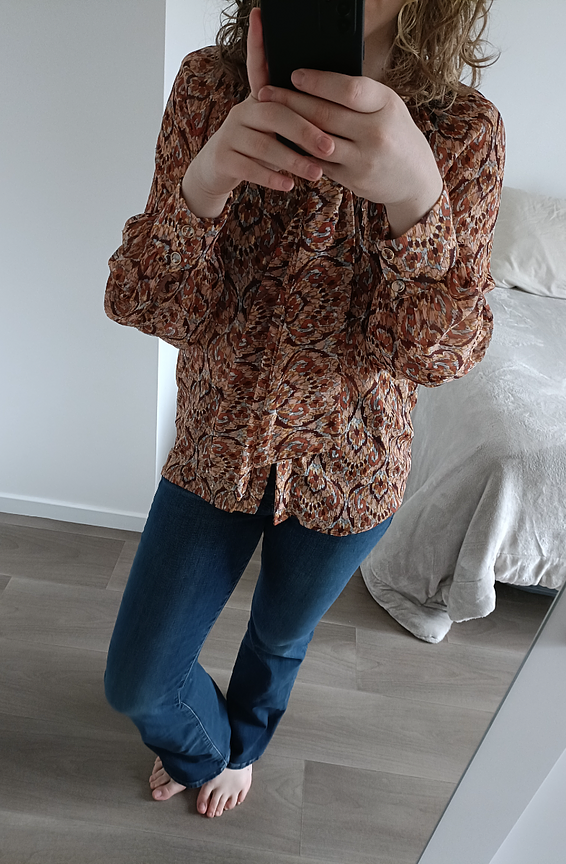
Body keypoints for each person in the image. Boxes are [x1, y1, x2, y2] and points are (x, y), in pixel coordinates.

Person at [103, 0, 505, 819]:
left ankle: (245, 748)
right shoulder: (208, 87)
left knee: (279, 638)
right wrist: (203, 184)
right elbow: (144, 303)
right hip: (216, 447)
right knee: (139, 679)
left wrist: (417, 202)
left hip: (351, 470)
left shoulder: (462, 132)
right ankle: (206, 748)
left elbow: (438, 358)